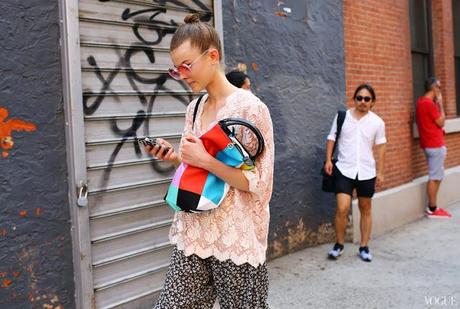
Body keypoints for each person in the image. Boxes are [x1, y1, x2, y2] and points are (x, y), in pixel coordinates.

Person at [146, 13, 274, 309]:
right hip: (193, 233)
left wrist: (204, 159)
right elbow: (195, 170)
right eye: (176, 69)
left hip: (235, 238)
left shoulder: (250, 109)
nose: (182, 74)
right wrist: (175, 157)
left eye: (187, 65)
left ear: (213, 56)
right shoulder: (194, 108)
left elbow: (259, 186)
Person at [324, 84, 386, 262]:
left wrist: (380, 172)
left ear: (372, 102)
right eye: (359, 98)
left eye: (367, 99)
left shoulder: (377, 122)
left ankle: (364, 246)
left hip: (367, 171)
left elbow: (381, 148)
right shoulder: (342, 117)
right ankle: (339, 244)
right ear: (354, 99)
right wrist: (328, 160)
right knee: (342, 208)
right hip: (344, 169)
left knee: (365, 208)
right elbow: (331, 137)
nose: (363, 101)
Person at [415, 77, 452, 218]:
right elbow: (441, 122)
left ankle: (433, 206)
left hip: (431, 144)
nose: (440, 91)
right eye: (439, 87)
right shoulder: (428, 104)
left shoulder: (421, 102)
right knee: (434, 176)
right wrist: (441, 104)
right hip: (434, 144)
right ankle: (432, 209)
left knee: (438, 175)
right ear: (434, 88)